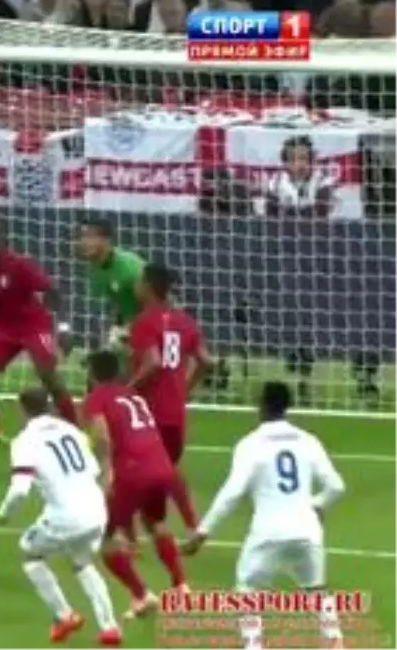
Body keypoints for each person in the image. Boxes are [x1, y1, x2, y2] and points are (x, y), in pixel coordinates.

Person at [182, 382, 346, 649]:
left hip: (268, 532)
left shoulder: (251, 444)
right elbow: (336, 486)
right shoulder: (308, 440)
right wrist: (316, 505)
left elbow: (231, 493)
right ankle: (334, 642)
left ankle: (253, 645)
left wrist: (202, 532)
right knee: (316, 590)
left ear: (263, 405)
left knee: (247, 590)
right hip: (307, 529)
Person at [0, 388, 122, 646]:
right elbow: (94, 470)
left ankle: (64, 616)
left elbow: (20, 491)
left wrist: (3, 514)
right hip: (96, 509)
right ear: (49, 406)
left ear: (23, 410)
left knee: (30, 553)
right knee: (82, 561)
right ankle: (110, 627)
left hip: (66, 516)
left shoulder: (25, 441)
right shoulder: (72, 431)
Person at [83, 350, 198, 620]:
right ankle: (180, 585)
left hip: (132, 472)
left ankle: (141, 595)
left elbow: (101, 435)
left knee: (103, 538)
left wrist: (106, 471)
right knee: (154, 521)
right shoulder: (132, 395)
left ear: (92, 374)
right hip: (161, 466)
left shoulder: (95, 399)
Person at [0, 220, 77, 447]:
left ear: (1, 239)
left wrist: (63, 328)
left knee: (47, 374)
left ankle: (74, 431)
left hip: (34, 324)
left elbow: (52, 292)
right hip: (4, 328)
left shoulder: (19, 265)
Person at [127, 263, 212, 466]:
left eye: (139, 281)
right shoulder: (186, 321)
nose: (135, 286)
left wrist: (126, 390)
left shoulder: (144, 321)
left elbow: (153, 363)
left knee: (140, 479)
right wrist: (186, 388)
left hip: (150, 413)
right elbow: (206, 361)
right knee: (163, 478)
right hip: (175, 415)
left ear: (147, 286)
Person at [76, 218, 145, 349]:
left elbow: (157, 302)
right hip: (132, 324)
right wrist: (116, 328)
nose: (83, 242)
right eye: (82, 236)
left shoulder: (128, 267)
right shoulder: (95, 268)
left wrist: (131, 328)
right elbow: (118, 300)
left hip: (157, 325)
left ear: (107, 240)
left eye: (90, 236)